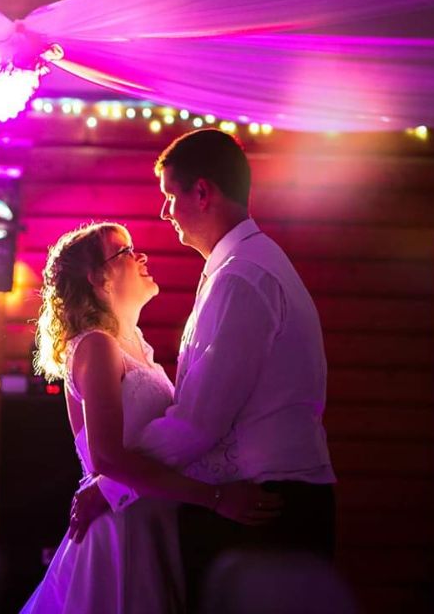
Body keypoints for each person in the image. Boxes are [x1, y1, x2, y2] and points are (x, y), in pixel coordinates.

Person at [72, 128, 337, 611]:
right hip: (252, 502)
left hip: (262, 507)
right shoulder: (239, 267)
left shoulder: (240, 277)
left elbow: (199, 423)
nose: (165, 212)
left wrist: (111, 485)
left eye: (170, 196)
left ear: (202, 192)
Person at [21, 221, 279, 614]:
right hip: (120, 534)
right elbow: (107, 459)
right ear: (98, 278)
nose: (141, 256)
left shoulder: (136, 345)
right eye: (125, 251)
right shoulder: (96, 346)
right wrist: (215, 498)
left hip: (152, 526)